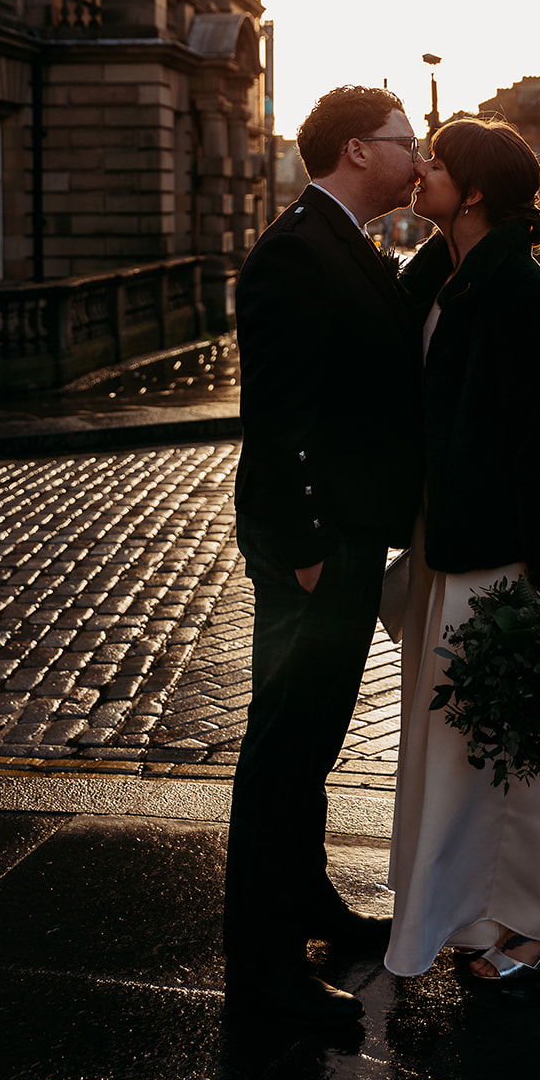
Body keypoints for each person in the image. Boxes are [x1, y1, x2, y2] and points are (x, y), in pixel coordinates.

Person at [385, 116, 540, 987]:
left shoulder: (524, 295)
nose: (422, 172)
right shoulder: (439, 280)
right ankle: (470, 914)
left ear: (473, 193)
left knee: (522, 747)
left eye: (436, 163)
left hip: (507, 558)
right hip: (446, 548)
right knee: (455, 749)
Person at [224, 85, 424, 1025]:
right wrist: (305, 544)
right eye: (404, 141)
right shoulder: (298, 253)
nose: (416, 154)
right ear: (356, 150)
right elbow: (277, 416)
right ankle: (260, 969)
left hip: (341, 537)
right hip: (315, 546)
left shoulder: (344, 240)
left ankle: (306, 904)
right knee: (283, 754)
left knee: (309, 749)